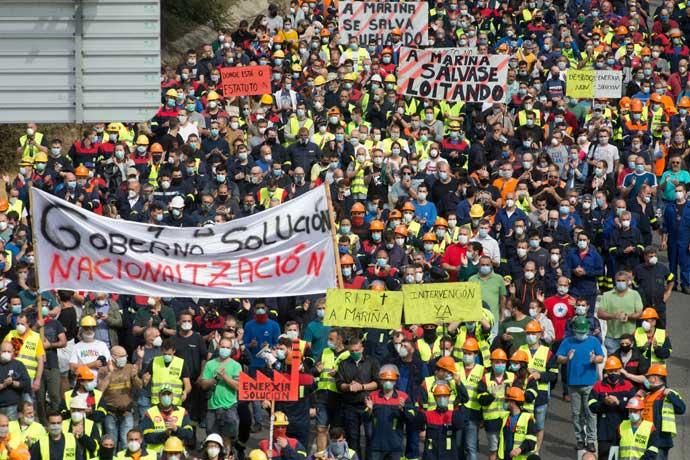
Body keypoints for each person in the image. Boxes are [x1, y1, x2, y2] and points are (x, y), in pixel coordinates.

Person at [556, 317, 604, 453]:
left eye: (583, 332)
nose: (581, 335)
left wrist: (594, 359)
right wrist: (567, 358)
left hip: (590, 383)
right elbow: (559, 358)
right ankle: (580, 440)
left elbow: (601, 357)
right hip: (573, 384)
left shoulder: (593, 341)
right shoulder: (567, 342)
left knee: (590, 413)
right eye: (578, 332)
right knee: (576, 414)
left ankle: (591, 440)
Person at [335, 337, 379, 459]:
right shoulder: (344, 364)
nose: (354, 353)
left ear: (362, 349)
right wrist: (348, 387)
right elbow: (339, 384)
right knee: (353, 438)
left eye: (357, 350)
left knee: (370, 436)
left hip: (368, 405)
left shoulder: (372, 362)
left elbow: (377, 382)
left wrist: (362, 387)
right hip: (350, 406)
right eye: (352, 351)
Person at [364, 365, 414, 460]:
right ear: (381, 381)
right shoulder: (372, 396)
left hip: (395, 446)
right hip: (376, 445)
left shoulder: (403, 397)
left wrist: (403, 410)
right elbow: (365, 418)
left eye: (391, 380)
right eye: (385, 380)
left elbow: (411, 419)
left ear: (395, 381)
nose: (388, 382)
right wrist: (369, 409)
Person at [200, 336, 241, 451]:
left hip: (229, 407)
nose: (225, 349)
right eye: (222, 347)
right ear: (218, 347)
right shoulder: (210, 364)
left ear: (231, 349)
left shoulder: (236, 366)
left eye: (227, 347)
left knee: (227, 437)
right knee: (212, 438)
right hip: (212, 407)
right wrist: (215, 379)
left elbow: (238, 386)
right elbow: (203, 385)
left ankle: (227, 456)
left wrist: (225, 377)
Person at [97, 345, 142, 450]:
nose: (124, 358)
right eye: (121, 356)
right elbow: (99, 391)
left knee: (127, 443)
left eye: (125, 356)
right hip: (110, 412)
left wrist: (135, 376)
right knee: (111, 444)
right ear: (113, 357)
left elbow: (140, 386)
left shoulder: (130, 367)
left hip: (127, 411)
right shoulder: (103, 370)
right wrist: (110, 374)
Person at [640, 364, 686, 459]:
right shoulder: (647, 396)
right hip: (645, 437)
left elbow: (682, 408)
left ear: (655, 378)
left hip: (660, 440)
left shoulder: (668, 394)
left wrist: (670, 395)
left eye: (649, 377)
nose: (647, 380)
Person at [140, 385, 193, 453]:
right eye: (163, 394)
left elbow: (189, 434)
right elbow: (147, 437)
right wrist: (165, 434)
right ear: (159, 397)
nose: (166, 397)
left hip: (176, 453)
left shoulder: (182, 412)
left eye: (168, 394)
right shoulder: (150, 412)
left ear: (172, 397)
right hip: (156, 454)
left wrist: (176, 429)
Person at [420, 383, 464, 460]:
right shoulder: (428, 415)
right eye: (439, 396)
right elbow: (415, 424)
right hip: (431, 455)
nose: (442, 398)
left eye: (445, 396)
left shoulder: (453, 414)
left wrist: (456, 408)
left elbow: (459, 425)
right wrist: (422, 430)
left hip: (449, 455)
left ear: (449, 397)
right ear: (435, 398)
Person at [3, 313, 44, 396]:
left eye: (22, 324)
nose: (19, 326)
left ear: (29, 324)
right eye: (17, 324)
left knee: (28, 405)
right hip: (12, 377)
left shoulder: (36, 337)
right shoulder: (11, 334)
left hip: (28, 377)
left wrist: (38, 380)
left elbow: (41, 361)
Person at [497, 387, 537, 460]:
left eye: (507, 400)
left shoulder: (528, 419)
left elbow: (532, 441)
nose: (505, 403)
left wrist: (520, 449)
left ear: (513, 402)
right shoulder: (505, 418)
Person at [0, 340, 31, 420]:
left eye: (9, 351)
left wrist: (13, 383)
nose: (6, 353)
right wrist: (4, 385)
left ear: (13, 352)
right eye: (4, 351)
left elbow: (27, 384)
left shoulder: (18, 365)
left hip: (12, 406)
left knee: (12, 430)